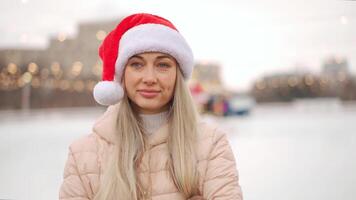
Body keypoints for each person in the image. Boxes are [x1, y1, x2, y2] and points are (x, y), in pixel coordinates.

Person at [59, 13, 243, 200]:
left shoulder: (211, 144)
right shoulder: (83, 154)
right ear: (122, 74)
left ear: (177, 75)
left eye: (162, 65)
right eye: (137, 65)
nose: (149, 78)